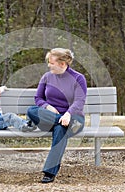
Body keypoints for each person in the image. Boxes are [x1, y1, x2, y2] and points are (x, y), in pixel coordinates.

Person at [27, 48, 87, 183]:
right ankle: (58, 121)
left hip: (74, 119)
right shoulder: (47, 77)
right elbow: (38, 98)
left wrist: (68, 114)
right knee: (31, 110)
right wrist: (48, 107)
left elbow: (79, 101)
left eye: (51, 62)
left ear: (62, 63)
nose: (49, 65)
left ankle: (49, 172)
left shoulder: (78, 78)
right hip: (51, 117)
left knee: (61, 129)